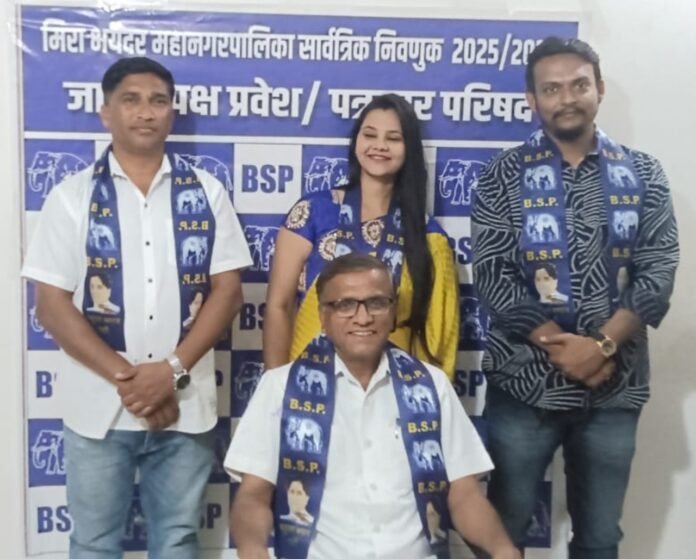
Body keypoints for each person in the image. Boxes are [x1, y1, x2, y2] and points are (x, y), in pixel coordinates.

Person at [21, 57, 252, 558]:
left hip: (184, 403)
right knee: (93, 544)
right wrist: (135, 381)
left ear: (172, 113)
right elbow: (52, 307)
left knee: (178, 539)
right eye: (131, 100)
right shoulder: (72, 197)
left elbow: (228, 293)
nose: (146, 112)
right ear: (106, 113)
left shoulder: (206, 192)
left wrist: (170, 372)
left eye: (158, 101)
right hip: (97, 406)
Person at [472, 37, 679, 558]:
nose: (567, 98)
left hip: (615, 386)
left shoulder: (644, 173)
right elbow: (493, 273)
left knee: (600, 539)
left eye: (579, 85)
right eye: (552, 88)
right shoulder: (501, 175)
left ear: (599, 89)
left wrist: (601, 346)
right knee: (502, 534)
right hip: (523, 386)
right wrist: (564, 348)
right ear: (532, 99)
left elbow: (658, 270)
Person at [225, 254, 520, 559]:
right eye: (345, 305)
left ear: (393, 312)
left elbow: (464, 494)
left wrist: (503, 550)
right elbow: (253, 495)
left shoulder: (431, 385)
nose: (363, 318)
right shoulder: (280, 388)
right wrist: (252, 548)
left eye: (377, 303)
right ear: (323, 315)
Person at [263, 93, 459, 378]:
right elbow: (278, 307)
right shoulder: (312, 213)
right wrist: (275, 387)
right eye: (370, 135)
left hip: (395, 388)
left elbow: (440, 334)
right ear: (356, 141)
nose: (380, 145)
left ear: (409, 149)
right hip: (312, 384)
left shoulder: (428, 236)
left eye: (393, 138)